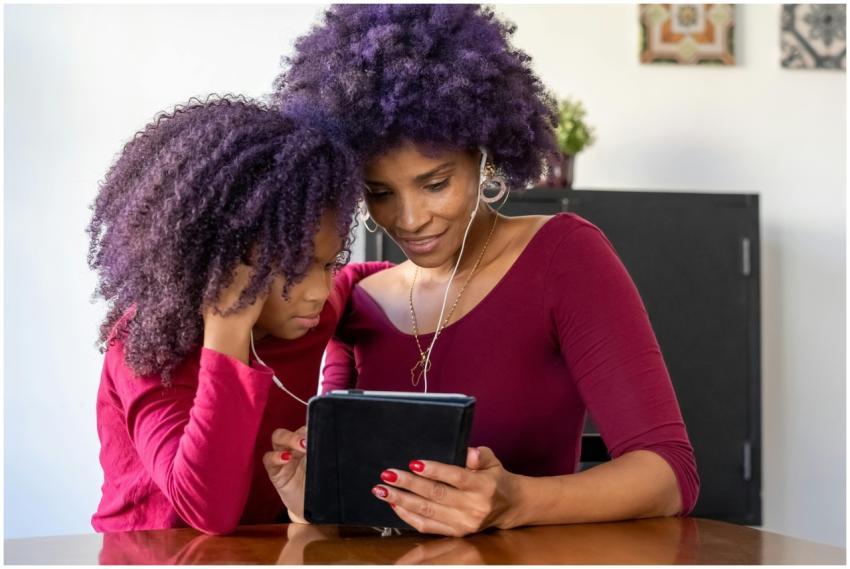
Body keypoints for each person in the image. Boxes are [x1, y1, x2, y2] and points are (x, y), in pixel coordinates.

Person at [268, 4, 699, 537]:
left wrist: (516, 500)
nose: (409, 219)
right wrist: (307, 497)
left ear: (483, 155)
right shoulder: (361, 299)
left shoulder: (563, 256)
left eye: (434, 183)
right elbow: (346, 507)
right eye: (379, 193)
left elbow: (669, 475)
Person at [88, 96, 365, 534]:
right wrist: (229, 329)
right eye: (292, 270)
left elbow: (376, 280)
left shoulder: (309, 313)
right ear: (219, 262)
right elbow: (207, 511)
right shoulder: (143, 348)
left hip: (265, 550)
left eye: (328, 264)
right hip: (153, 553)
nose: (318, 291)